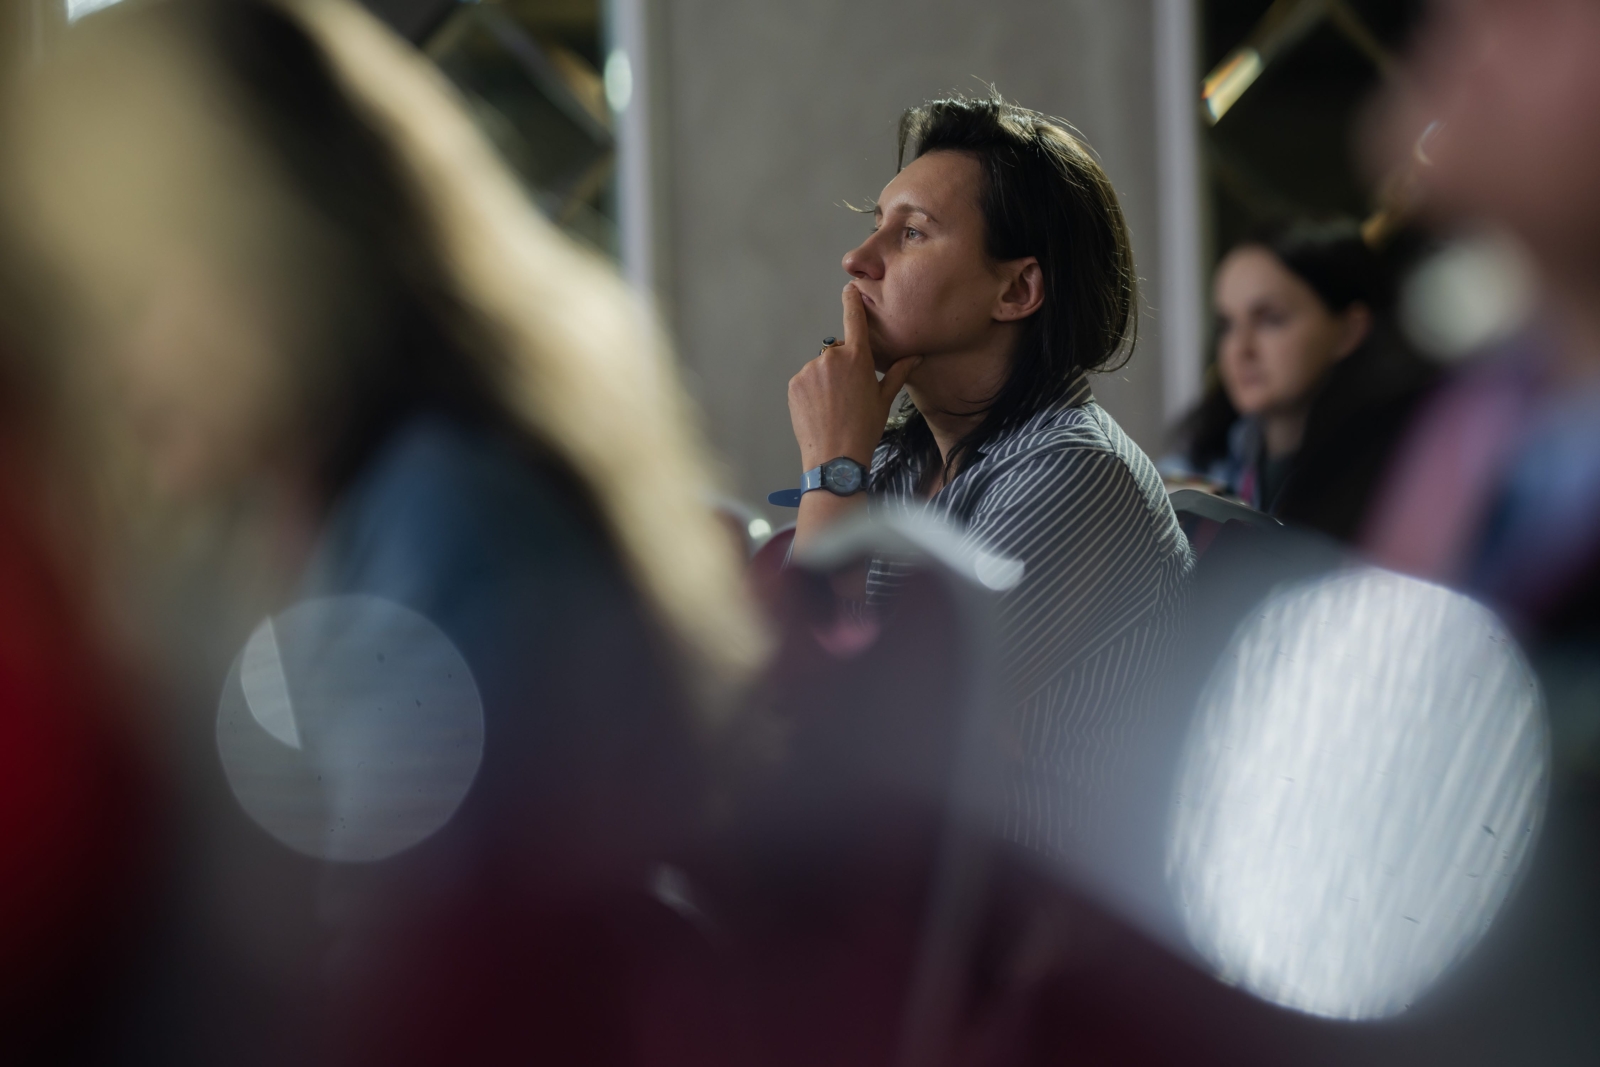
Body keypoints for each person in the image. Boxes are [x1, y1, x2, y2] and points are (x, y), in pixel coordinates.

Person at [0, 0, 764, 1061]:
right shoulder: (341, 514)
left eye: (131, 301)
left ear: (276, 236)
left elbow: (441, 1001)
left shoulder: (445, 534)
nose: (108, 370)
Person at [780, 94, 1192, 858]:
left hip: (1036, 921)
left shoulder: (1077, 471)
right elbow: (781, 697)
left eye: (911, 232)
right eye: (875, 223)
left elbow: (847, 731)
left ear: (1015, 291)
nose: (858, 259)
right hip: (908, 889)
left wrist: (832, 470)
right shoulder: (902, 459)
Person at [1163, 219, 1436, 542]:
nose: (1240, 348)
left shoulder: (1404, 477)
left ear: (1350, 330)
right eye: (1227, 325)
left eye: (1271, 319)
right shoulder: (1200, 464)